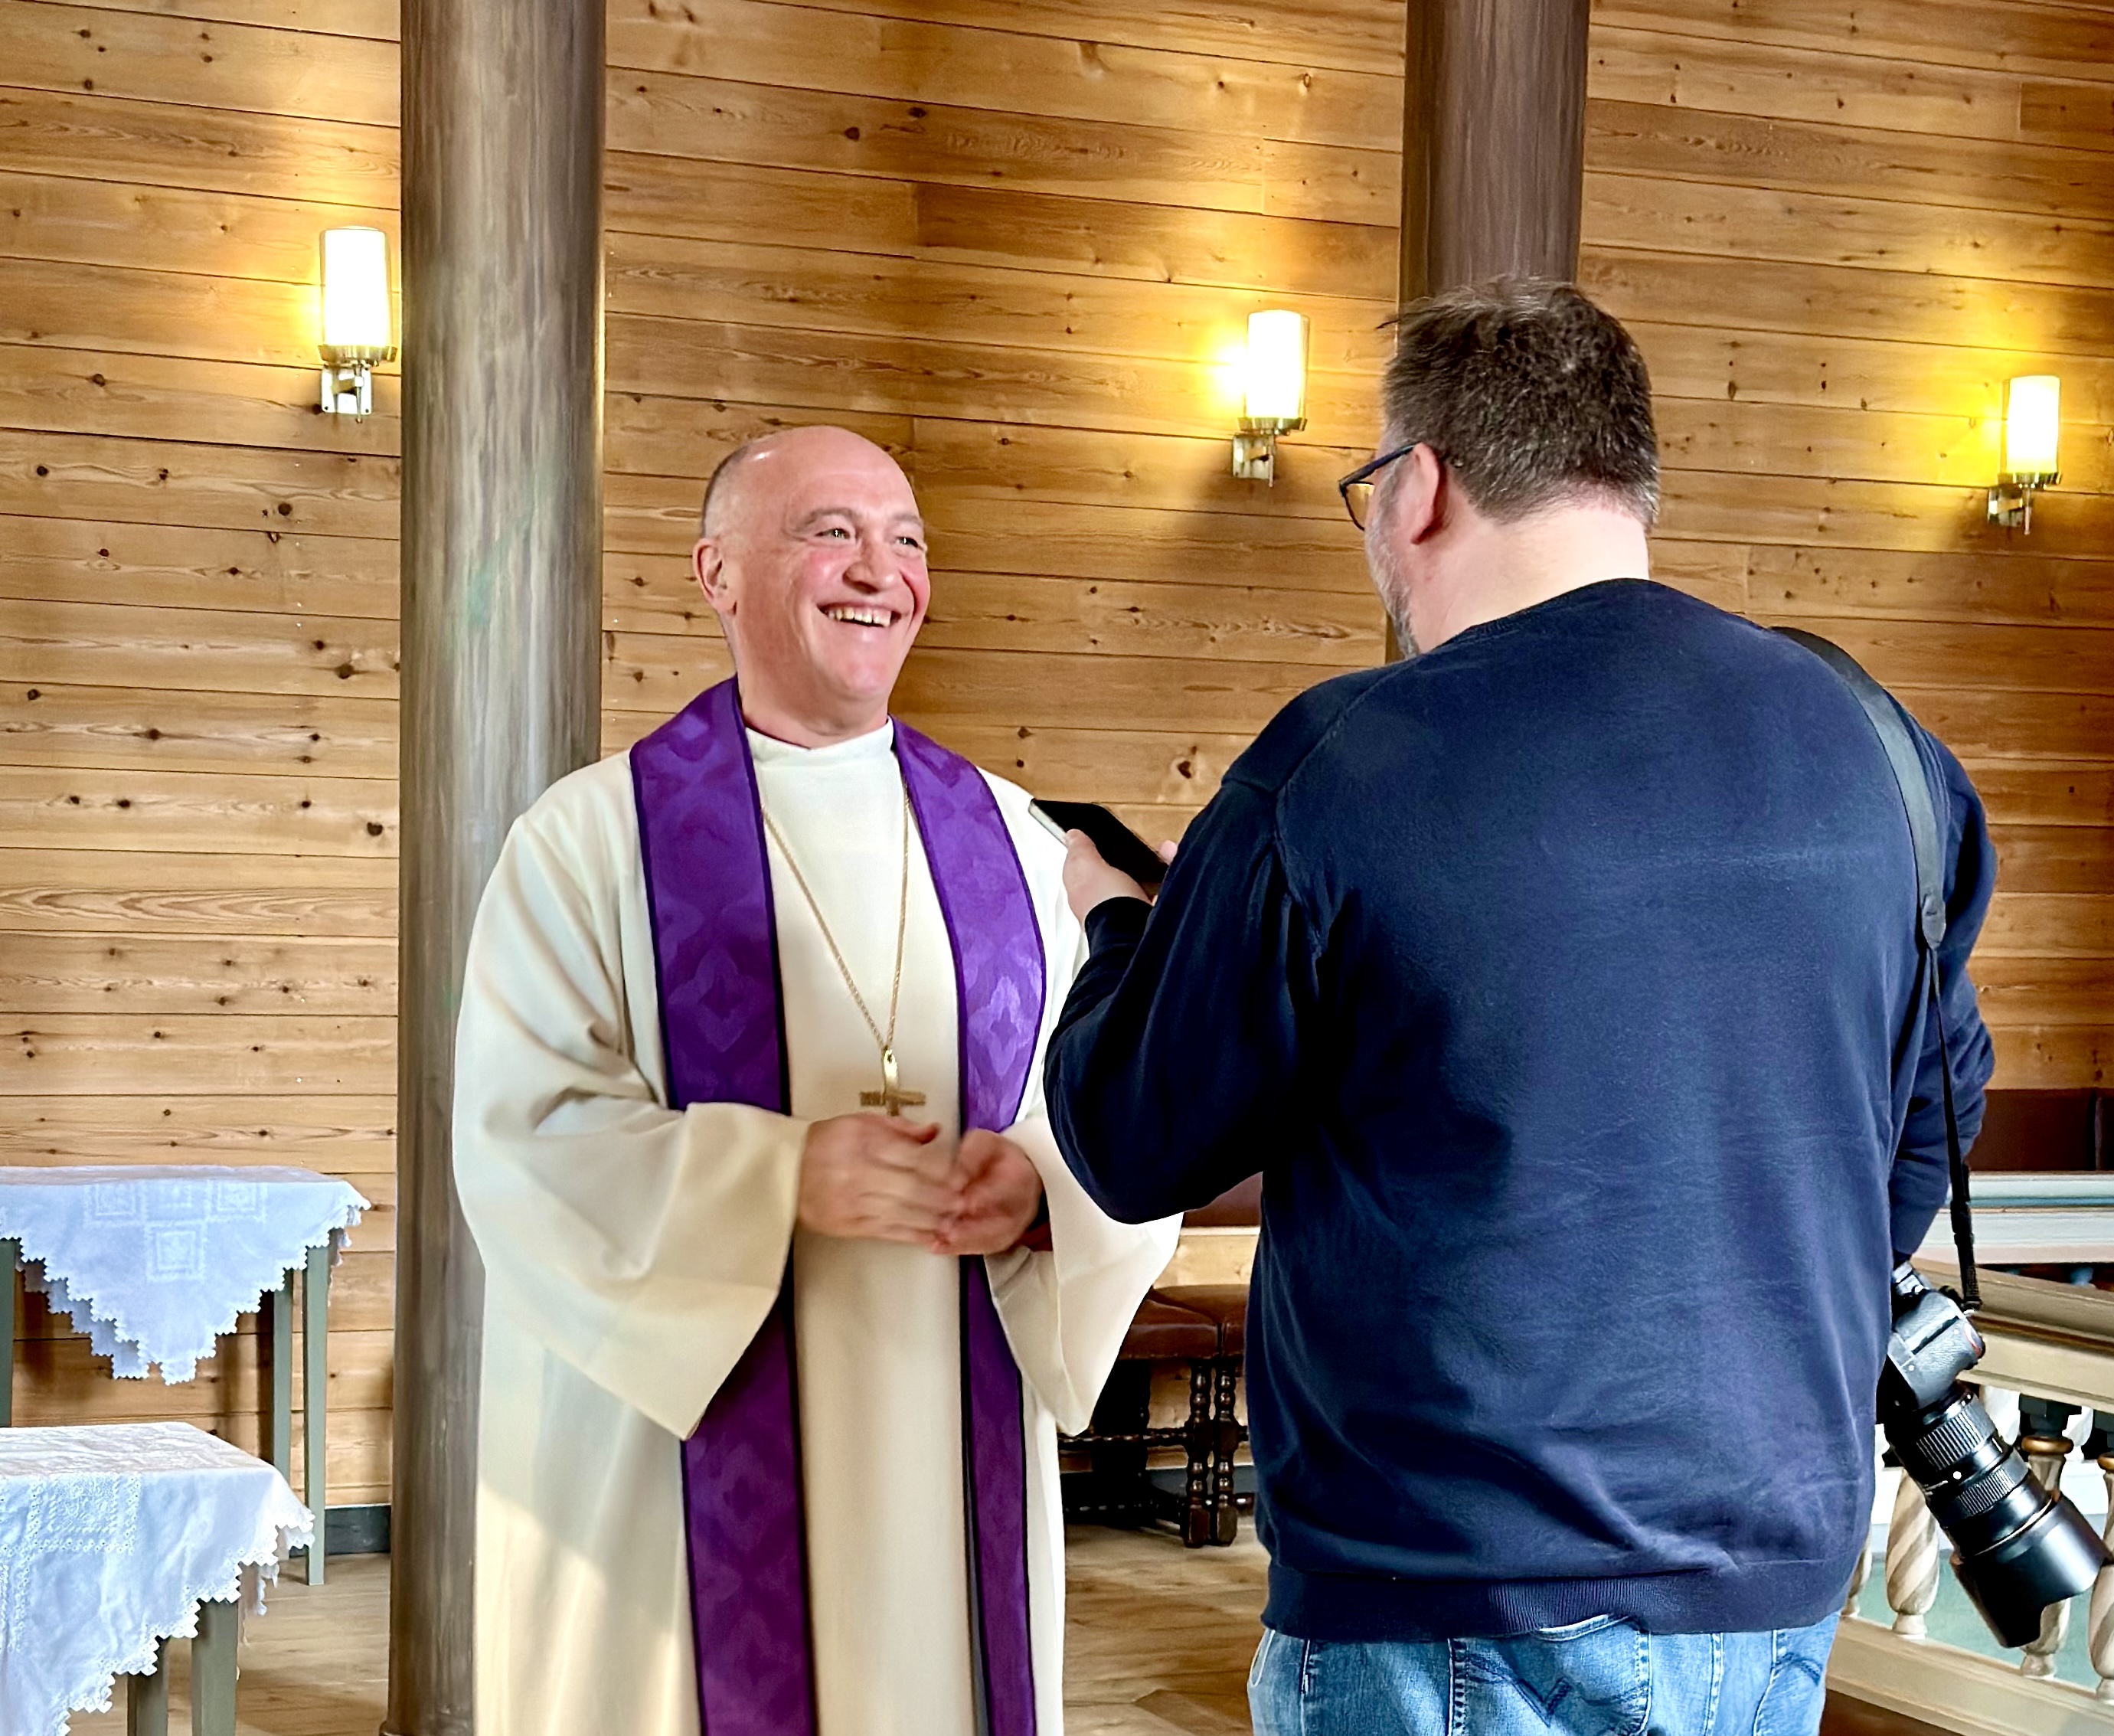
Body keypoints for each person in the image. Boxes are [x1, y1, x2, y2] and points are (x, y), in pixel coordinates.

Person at [1042, 281, 1995, 1736]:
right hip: (1776, 1568)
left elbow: (1129, 1137)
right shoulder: (1879, 743)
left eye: (1369, 485)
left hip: (1451, 1589)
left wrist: (1114, 922)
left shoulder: (1346, 760)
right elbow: (1929, 1118)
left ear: (1417, 487)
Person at [453, 424, 1178, 1736]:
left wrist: (1040, 1185)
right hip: (678, 1482)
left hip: (949, 1444)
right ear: (716, 573)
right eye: (829, 530)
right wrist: (780, 1173)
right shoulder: (587, 841)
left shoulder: (1017, 842)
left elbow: (1126, 1091)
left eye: (906, 539)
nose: (879, 569)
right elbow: (526, 1137)